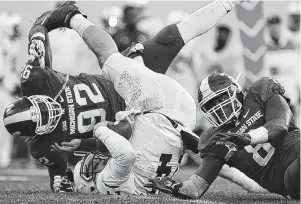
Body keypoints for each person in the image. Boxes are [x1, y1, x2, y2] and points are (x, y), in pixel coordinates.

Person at [3, 0, 248, 193]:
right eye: (46, 121)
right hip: (138, 108)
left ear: (33, 97)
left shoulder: (34, 79)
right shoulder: (42, 146)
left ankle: (248, 177)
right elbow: (61, 177)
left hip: (134, 100)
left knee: (171, 37)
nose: (52, 111)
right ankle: (71, 16)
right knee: (109, 56)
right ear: (34, 135)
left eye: (43, 106)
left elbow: (38, 37)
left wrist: (39, 29)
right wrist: (64, 178)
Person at [148, 73, 300, 200]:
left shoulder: (258, 93)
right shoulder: (216, 138)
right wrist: (174, 186)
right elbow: (196, 187)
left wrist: (248, 137)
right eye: (210, 106)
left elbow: (280, 125)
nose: (218, 108)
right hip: (287, 177)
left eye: (220, 99)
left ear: (236, 91)